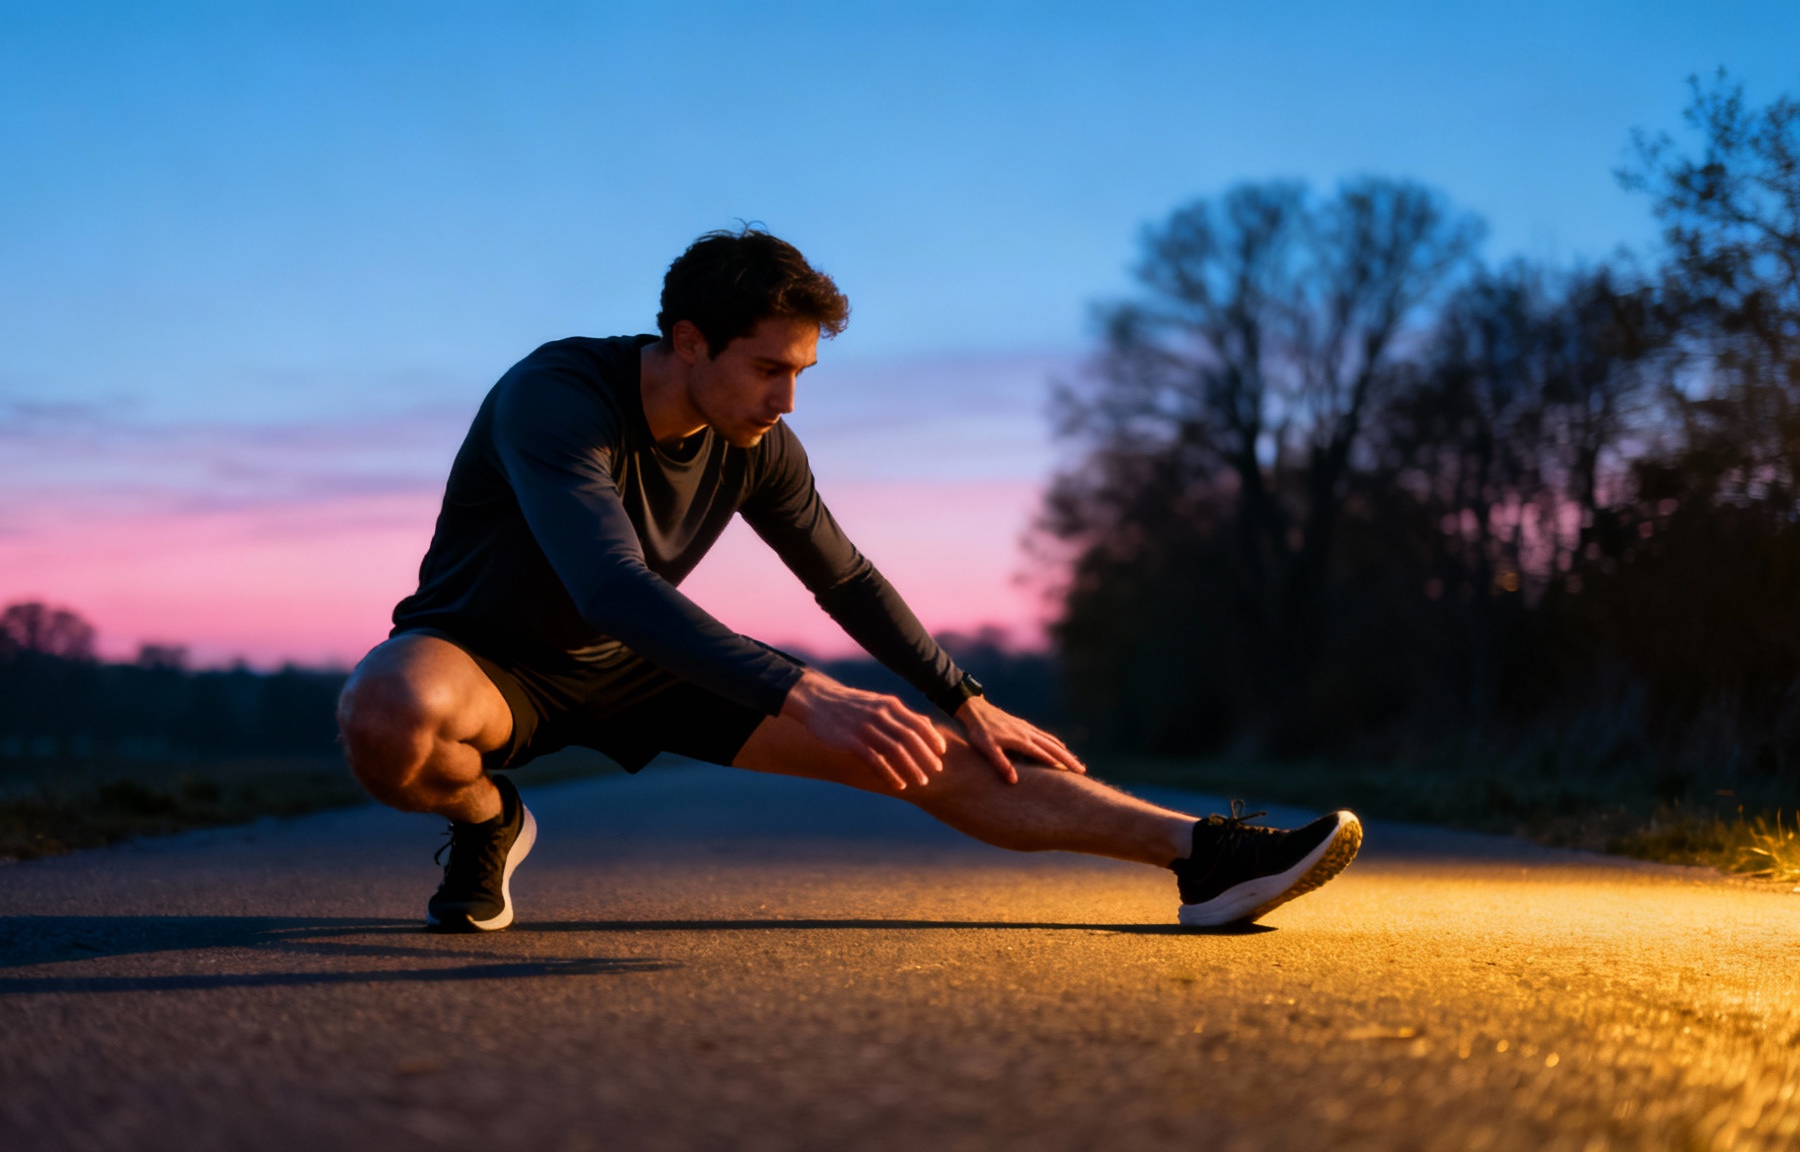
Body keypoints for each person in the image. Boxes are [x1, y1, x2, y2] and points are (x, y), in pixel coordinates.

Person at [337, 227, 1361, 933]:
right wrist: (802, 689)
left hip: (642, 658)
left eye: (801, 376)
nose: (786, 399)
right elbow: (605, 583)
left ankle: (1204, 858)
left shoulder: (752, 442)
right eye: (767, 370)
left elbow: (844, 576)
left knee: (909, 744)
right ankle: (488, 825)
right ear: (687, 342)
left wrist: (958, 694)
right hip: (485, 655)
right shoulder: (555, 399)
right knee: (388, 715)